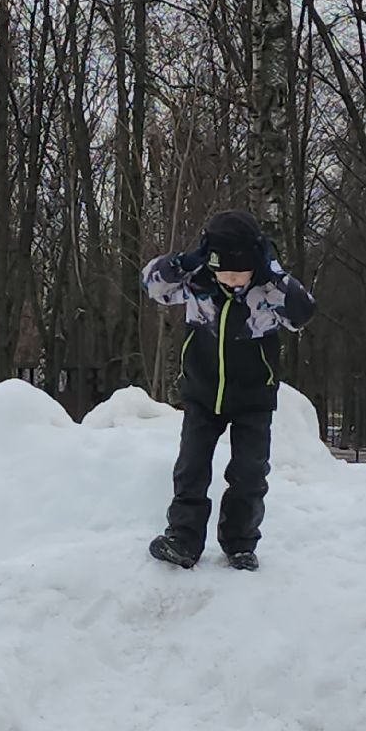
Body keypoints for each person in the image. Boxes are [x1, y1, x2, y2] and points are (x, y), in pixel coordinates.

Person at [142, 210, 316, 572]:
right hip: (202, 393)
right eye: (226, 270)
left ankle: (239, 542)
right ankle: (183, 538)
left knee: (249, 473)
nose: (234, 280)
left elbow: (303, 313)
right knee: (191, 468)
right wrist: (183, 262)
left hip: (253, 398)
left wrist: (275, 274)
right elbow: (152, 285)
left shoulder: (268, 289)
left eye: (242, 271)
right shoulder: (197, 281)